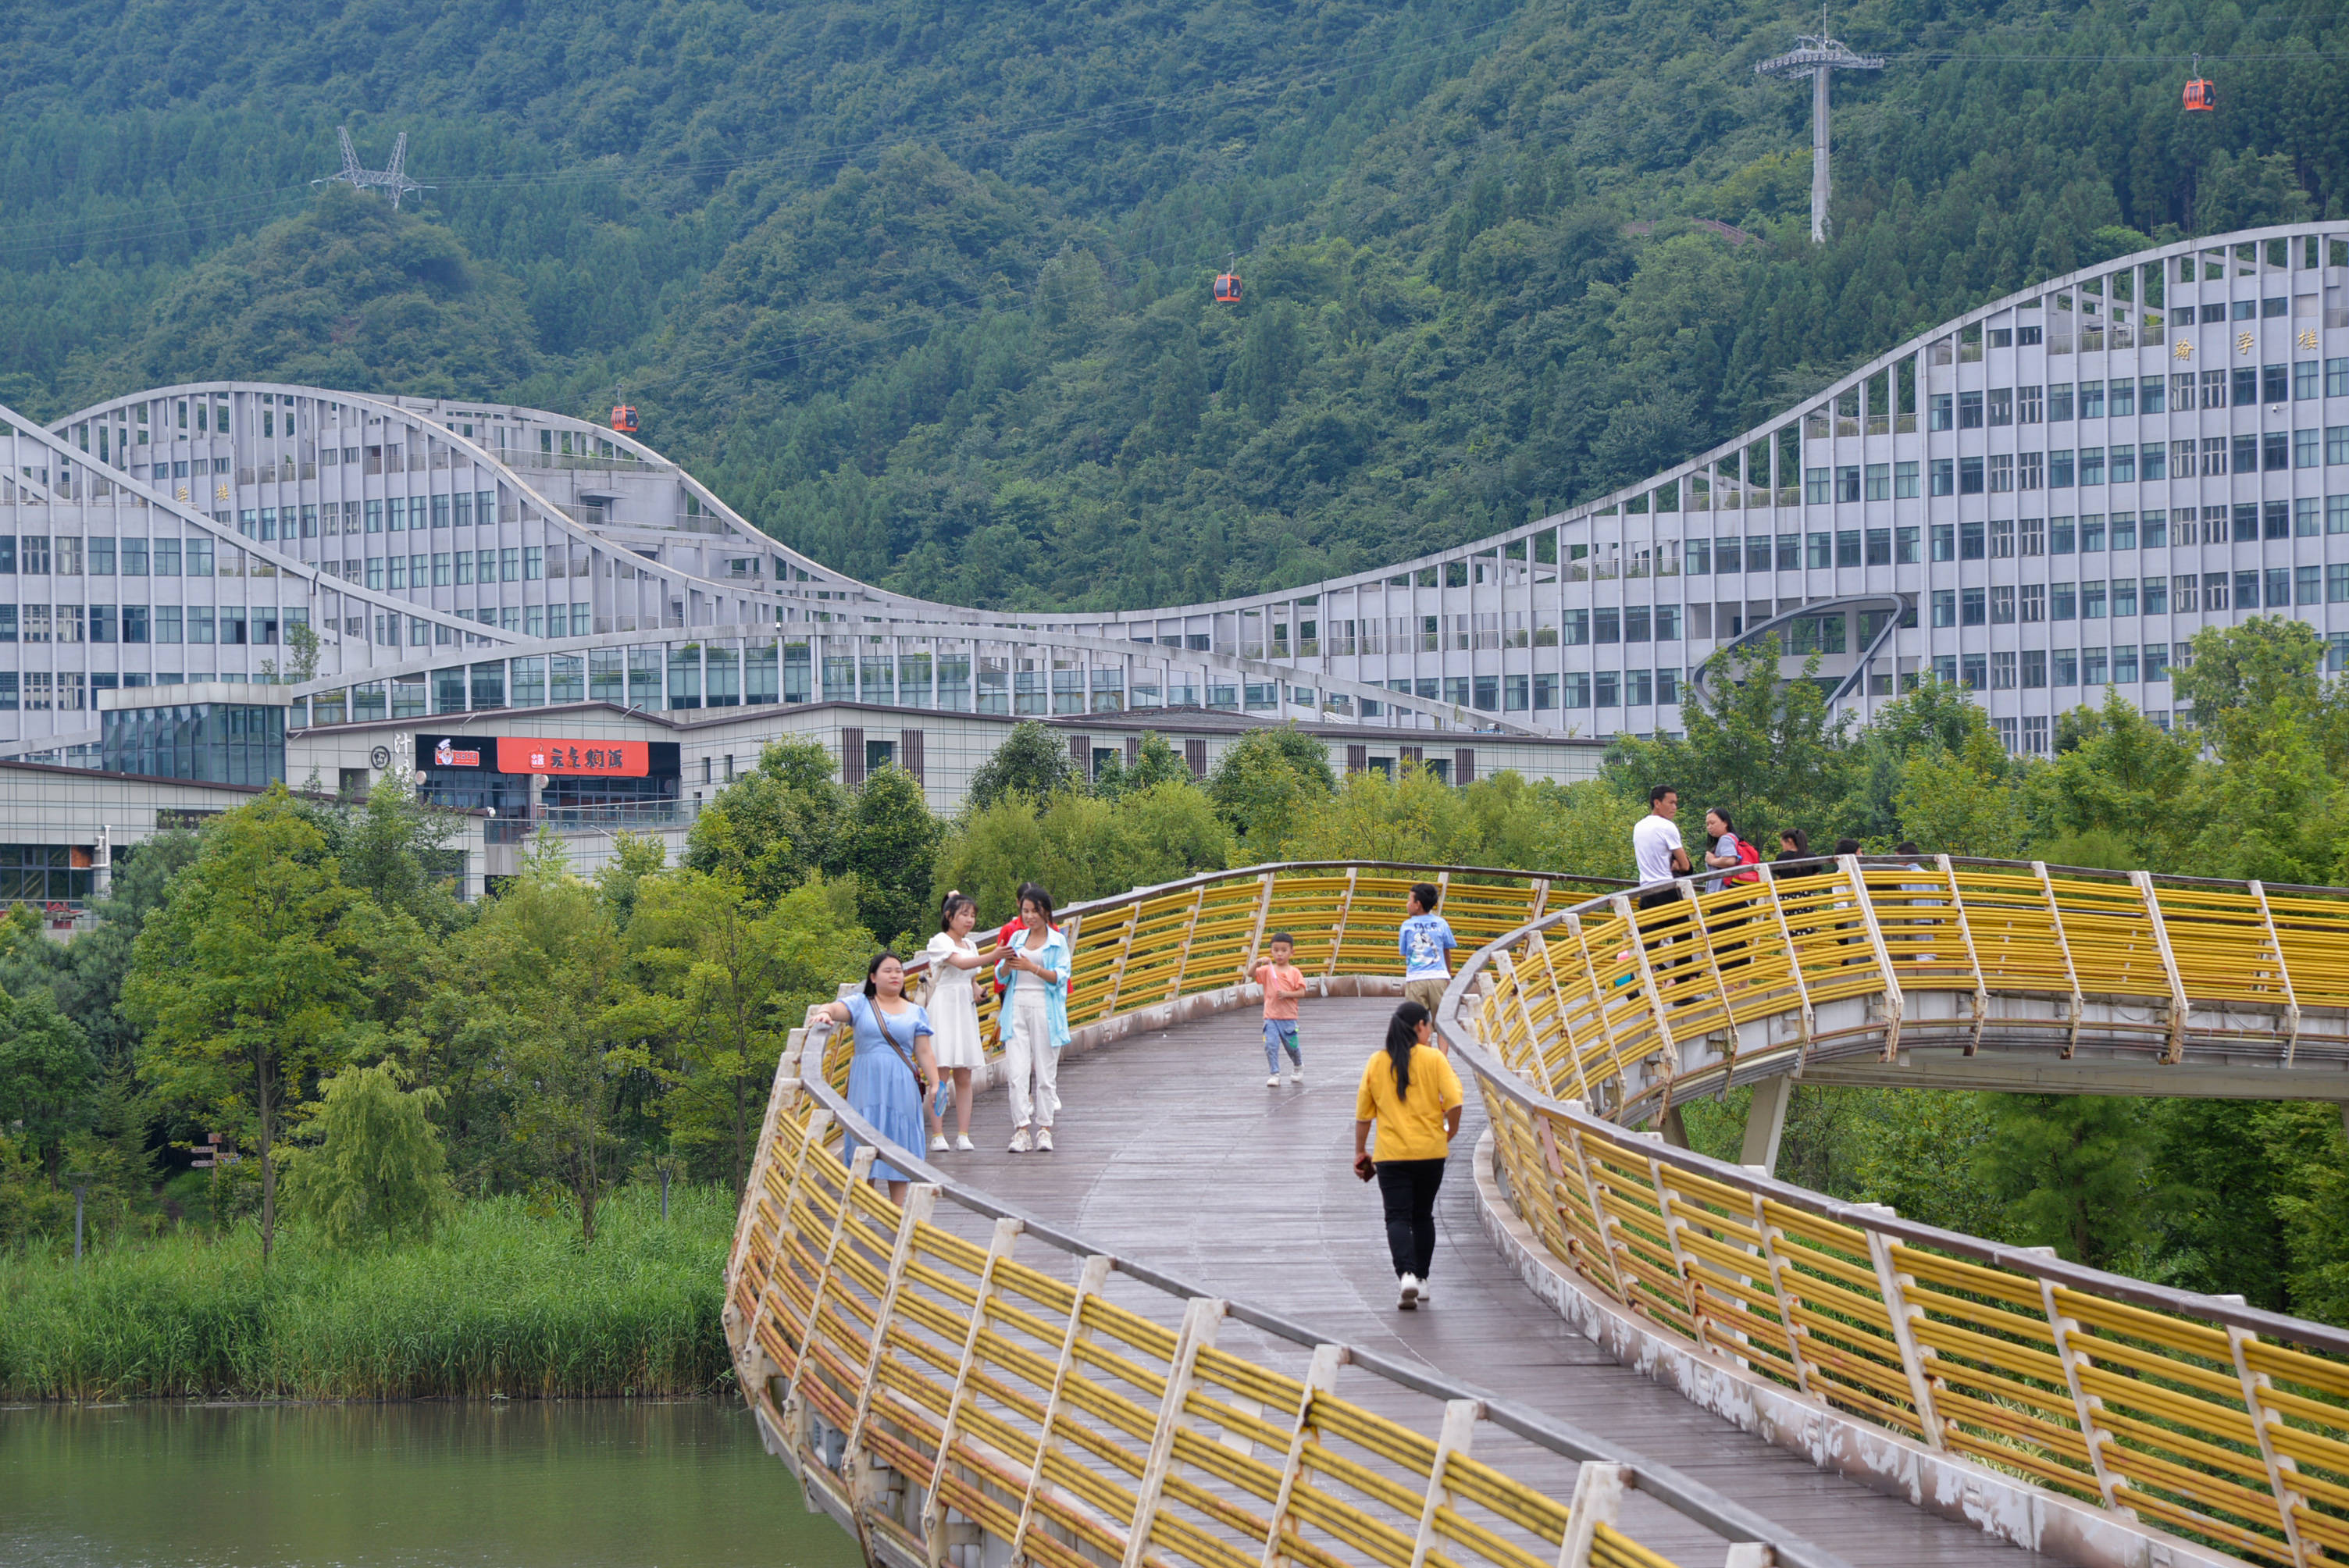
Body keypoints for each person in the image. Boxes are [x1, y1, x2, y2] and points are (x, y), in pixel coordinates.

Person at [1352, 1001, 1463, 1310]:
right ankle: (1424, 1281)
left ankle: (1407, 1275)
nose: (1430, 1031)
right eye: (1429, 1026)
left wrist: (1360, 1151)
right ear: (1420, 1026)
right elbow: (1454, 1101)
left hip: (1391, 1155)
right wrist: (1448, 1133)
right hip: (1431, 1152)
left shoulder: (1377, 1062)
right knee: (1423, 1214)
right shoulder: (1435, 1059)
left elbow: (1363, 1115)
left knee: (1397, 1217)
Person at [813, 952, 937, 1205]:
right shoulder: (861, 1004)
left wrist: (936, 1083)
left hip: (902, 1084)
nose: (895, 976)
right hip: (867, 1083)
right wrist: (825, 1012)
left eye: (899, 971)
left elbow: (923, 1050)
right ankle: (860, 1208)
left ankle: (897, 1211)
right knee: (864, 1137)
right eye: (888, 971)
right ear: (873, 977)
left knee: (899, 1140)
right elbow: (836, 1008)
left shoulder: (915, 1012)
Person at [996, 885, 1071, 1153]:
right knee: (1016, 1073)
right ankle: (1021, 1129)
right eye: (1025, 911)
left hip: (1045, 1010)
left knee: (1045, 1072)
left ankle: (1045, 1128)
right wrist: (1006, 962)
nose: (1029, 916)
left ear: (1046, 912)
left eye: (1034, 911)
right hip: (1016, 1007)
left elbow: (1061, 976)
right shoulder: (1016, 938)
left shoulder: (1057, 940)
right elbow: (1001, 976)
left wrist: (1033, 967)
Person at [922, 891, 989, 1151]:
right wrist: (996, 954)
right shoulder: (940, 941)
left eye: (972, 915)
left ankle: (963, 1133)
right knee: (939, 1074)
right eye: (964, 915)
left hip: (964, 1008)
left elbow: (971, 979)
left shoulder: (970, 945)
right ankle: (938, 1134)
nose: (969, 920)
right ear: (949, 916)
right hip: (944, 1007)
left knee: (964, 1076)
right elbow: (960, 965)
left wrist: (979, 992)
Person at [1631, 785, 1695, 991]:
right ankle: (1683, 991)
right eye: (1671, 802)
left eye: (1676, 803)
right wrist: (1678, 864)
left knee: (1648, 941)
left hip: (1646, 890)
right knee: (1683, 936)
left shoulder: (1639, 826)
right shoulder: (1667, 827)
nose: (1674, 807)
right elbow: (1685, 865)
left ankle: (1633, 983)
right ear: (1657, 803)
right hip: (1667, 888)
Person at [1253, 931, 1308, 1086]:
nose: (1280, 954)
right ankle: (1274, 1073)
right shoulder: (1267, 970)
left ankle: (1298, 1065)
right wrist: (1257, 963)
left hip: (1289, 1017)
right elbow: (1251, 974)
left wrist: (1287, 994)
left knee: (1292, 1046)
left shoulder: (1295, 972)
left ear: (1292, 952)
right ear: (1271, 951)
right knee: (1270, 1045)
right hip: (1270, 1017)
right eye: (1276, 950)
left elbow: (1302, 992)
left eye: (1284, 950)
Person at [1397, 882, 1456, 1021]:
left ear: (1417, 904)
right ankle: (1443, 1044)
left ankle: (1424, 1044)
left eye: (1409, 900)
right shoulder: (1442, 923)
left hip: (1416, 978)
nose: (1407, 904)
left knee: (1418, 1024)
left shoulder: (1406, 926)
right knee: (1443, 1022)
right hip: (1439, 978)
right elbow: (1447, 951)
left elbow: (1406, 953)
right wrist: (1448, 976)